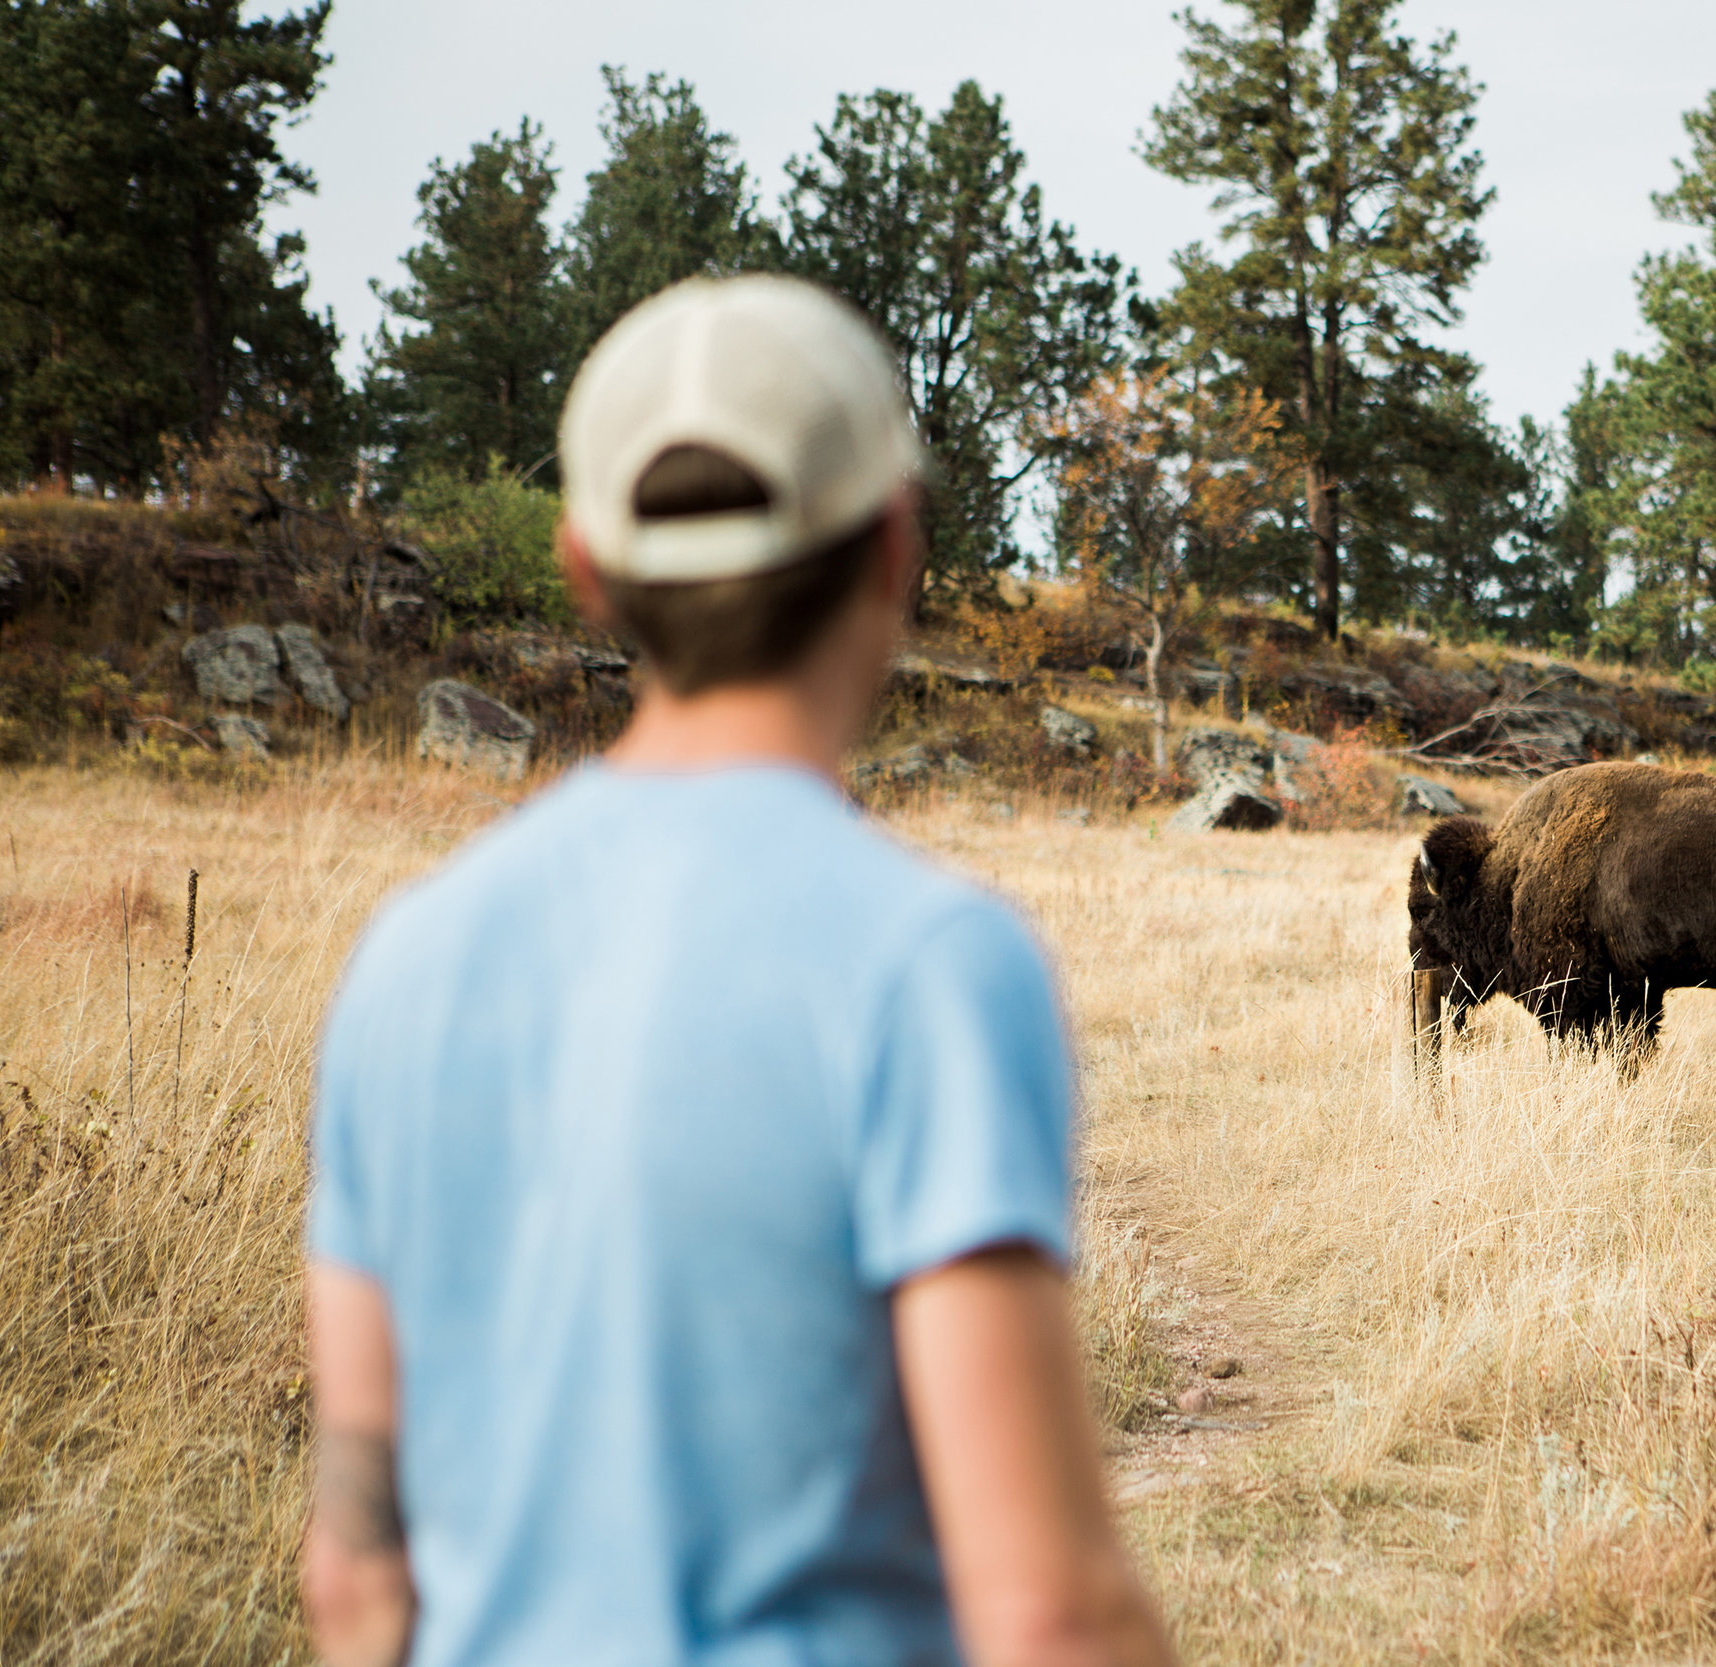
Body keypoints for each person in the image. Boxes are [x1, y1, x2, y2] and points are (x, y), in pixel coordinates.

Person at [300, 275, 1175, 1667]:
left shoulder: (406, 961)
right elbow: (1047, 1612)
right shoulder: (928, 967)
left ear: (587, 569)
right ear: (893, 546)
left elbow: (356, 1581)